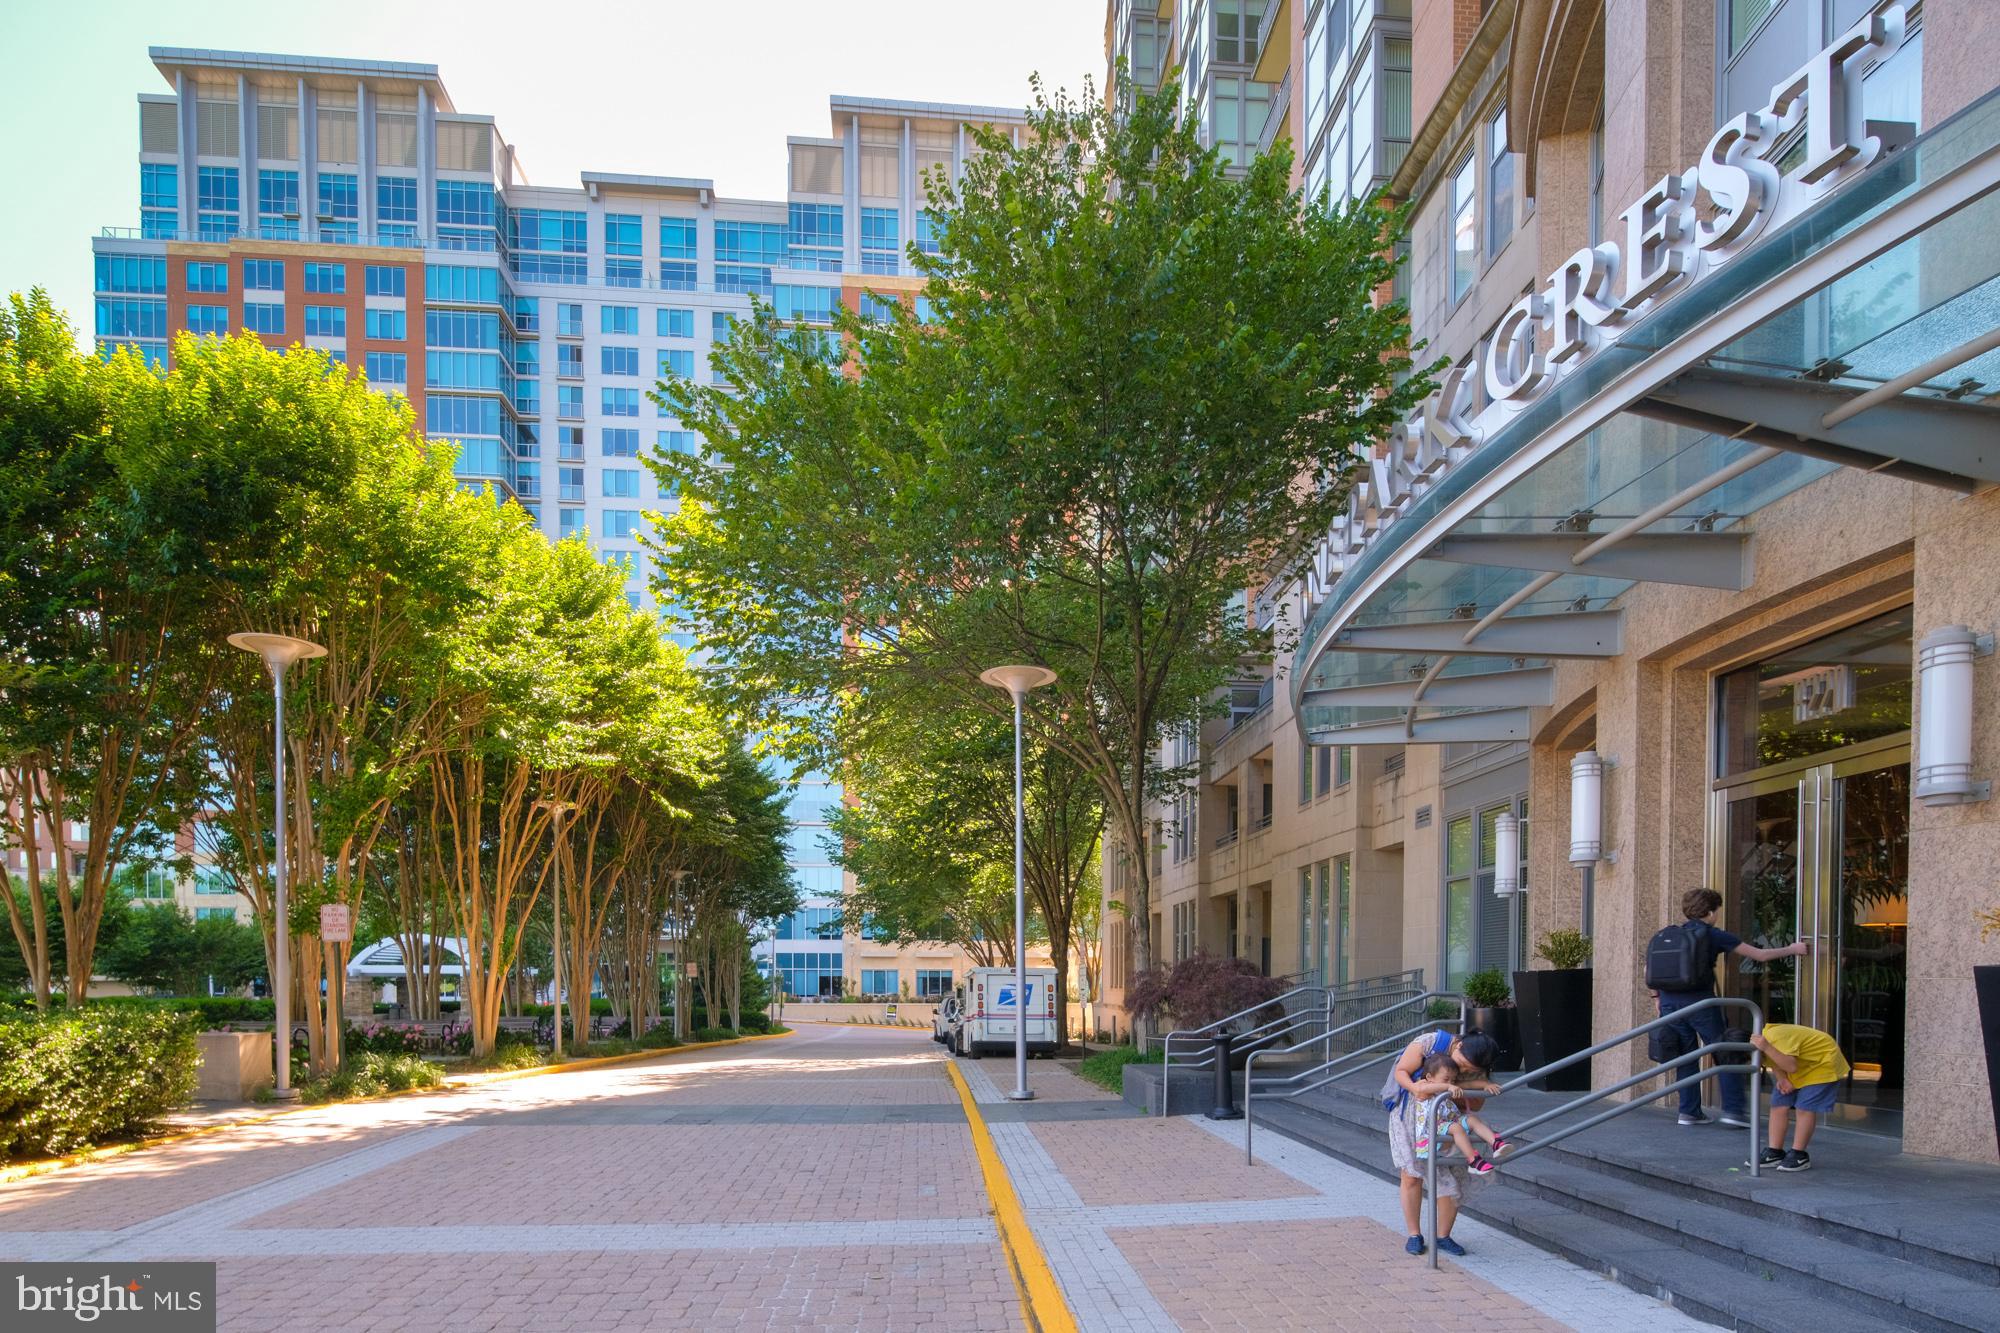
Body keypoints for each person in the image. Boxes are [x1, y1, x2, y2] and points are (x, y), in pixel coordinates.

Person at [1652, 888, 1808, 1127]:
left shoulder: (1671, 935)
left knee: (1686, 1057)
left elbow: (1648, 971)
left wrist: (1657, 999)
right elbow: (1760, 955)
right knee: (1726, 1051)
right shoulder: (1713, 935)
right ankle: (1733, 1111)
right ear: (1712, 911)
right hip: (1702, 1004)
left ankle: (1689, 1112)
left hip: (1670, 1005)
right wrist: (1792, 949)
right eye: (1718, 911)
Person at [1381, 1028, 1501, 1257]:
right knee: (1411, 1174)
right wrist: (1416, 1087)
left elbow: (1475, 1105)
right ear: (1458, 1046)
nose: (1464, 1071)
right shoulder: (1431, 1042)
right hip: (1411, 1116)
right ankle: (1414, 1234)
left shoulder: (1474, 1069)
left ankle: (1443, 1236)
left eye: (1471, 1070)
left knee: (1454, 1173)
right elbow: (1402, 1071)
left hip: (1447, 1119)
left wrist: (1468, 1087)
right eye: (1462, 1063)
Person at [1748, 1023, 1850, 1173]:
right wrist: (1782, 1078)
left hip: (1822, 1062)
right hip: (1800, 1064)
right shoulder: (1759, 1047)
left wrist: (1767, 1048)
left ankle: (1799, 1154)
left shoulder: (1772, 1039)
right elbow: (1775, 1063)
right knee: (1778, 1104)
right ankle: (1774, 1151)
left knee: (1804, 1107)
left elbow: (1791, 1067)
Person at [1410, 1052, 1500, 1175]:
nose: (1450, 1083)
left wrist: (1486, 1084)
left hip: (1449, 1123)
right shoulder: (1424, 1085)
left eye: (1453, 1080)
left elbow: (1468, 1084)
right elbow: (1423, 1089)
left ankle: (1496, 1143)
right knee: (1456, 1128)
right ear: (1430, 1077)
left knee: (1472, 1119)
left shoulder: (1449, 1086)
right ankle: (1473, 1160)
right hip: (1431, 1130)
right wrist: (1448, 1086)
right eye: (1446, 1079)